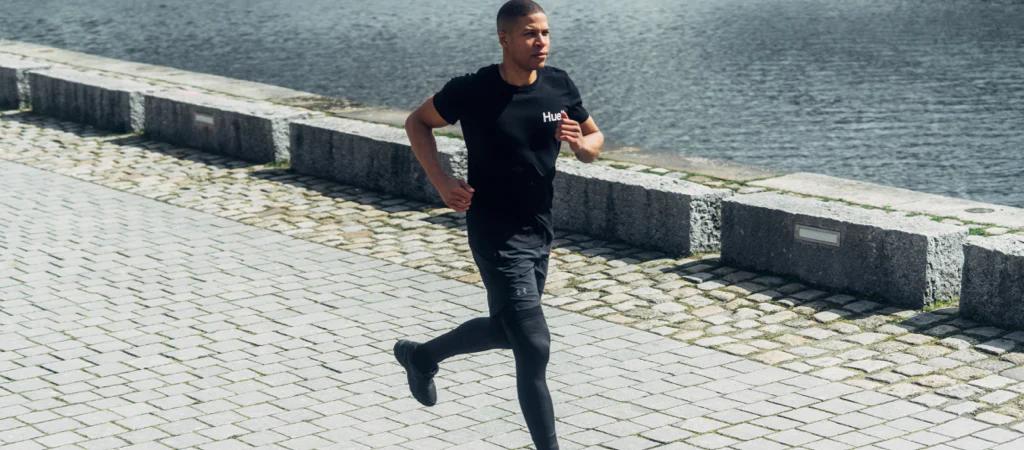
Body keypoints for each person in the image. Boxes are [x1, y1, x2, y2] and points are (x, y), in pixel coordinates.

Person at [394, 1, 603, 448]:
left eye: (545, 33)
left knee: (509, 332)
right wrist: (441, 180)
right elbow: (418, 122)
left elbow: (594, 138)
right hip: (494, 233)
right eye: (530, 34)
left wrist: (582, 147)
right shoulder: (473, 90)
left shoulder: (558, 84)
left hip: (540, 231)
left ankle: (422, 356)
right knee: (534, 345)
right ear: (504, 39)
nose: (541, 42)